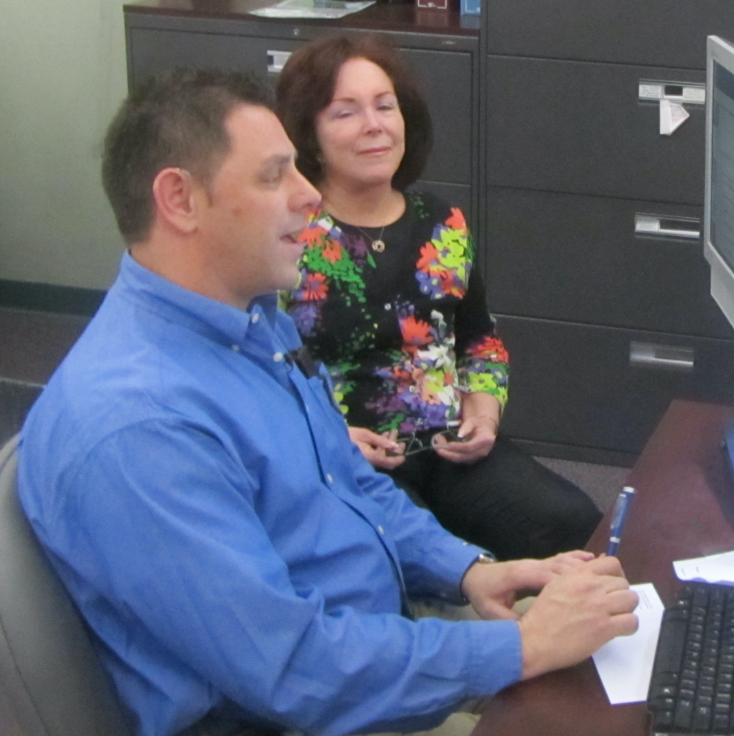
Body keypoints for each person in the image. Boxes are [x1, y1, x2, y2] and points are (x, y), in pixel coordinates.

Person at [17, 69, 639, 736]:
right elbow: (294, 669)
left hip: (372, 638)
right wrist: (525, 646)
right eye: (273, 175)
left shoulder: (254, 321)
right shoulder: (141, 427)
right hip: (317, 702)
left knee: (621, 667)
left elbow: (349, 488)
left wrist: (467, 571)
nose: (310, 194)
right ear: (180, 200)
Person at [275, 35, 602, 561]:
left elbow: (480, 339)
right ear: (310, 137)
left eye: (386, 106)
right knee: (407, 562)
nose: (374, 125)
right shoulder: (288, 237)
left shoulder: (440, 222)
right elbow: (259, 376)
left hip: (448, 448)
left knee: (575, 524)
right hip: (349, 458)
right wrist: (323, 440)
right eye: (346, 113)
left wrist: (485, 412)